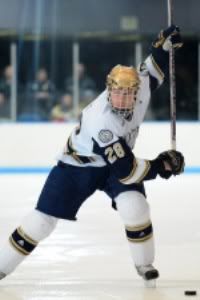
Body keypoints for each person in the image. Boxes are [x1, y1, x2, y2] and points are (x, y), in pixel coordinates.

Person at [0, 25, 185, 284]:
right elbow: (127, 171)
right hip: (78, 167)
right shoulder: (101, 121)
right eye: (117, 92)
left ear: (136, 91)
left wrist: (163, 44)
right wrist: (162, 165)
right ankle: (1, 266)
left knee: (135, 207)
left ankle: (145, 265)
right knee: (41, 222)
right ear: (109, 89)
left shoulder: (141, 88)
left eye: (128, 93)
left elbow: (153, 66)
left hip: (114, 164)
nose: (122, 98)